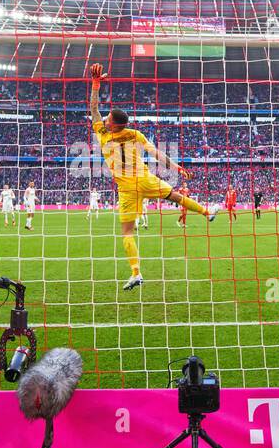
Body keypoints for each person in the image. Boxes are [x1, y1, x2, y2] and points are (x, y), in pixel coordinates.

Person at [88, 63, 218, 291]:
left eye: (108, 118)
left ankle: (136, 273)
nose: (105, 119)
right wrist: (176, 167)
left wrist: (96, 85)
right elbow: (155, 153)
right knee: (176, 197)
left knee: (127, 233)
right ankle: (207, 213)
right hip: (145, 179)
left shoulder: (102, 134)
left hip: (126, 188)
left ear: (113, 124)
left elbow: (93, 109)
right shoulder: (134, 133)